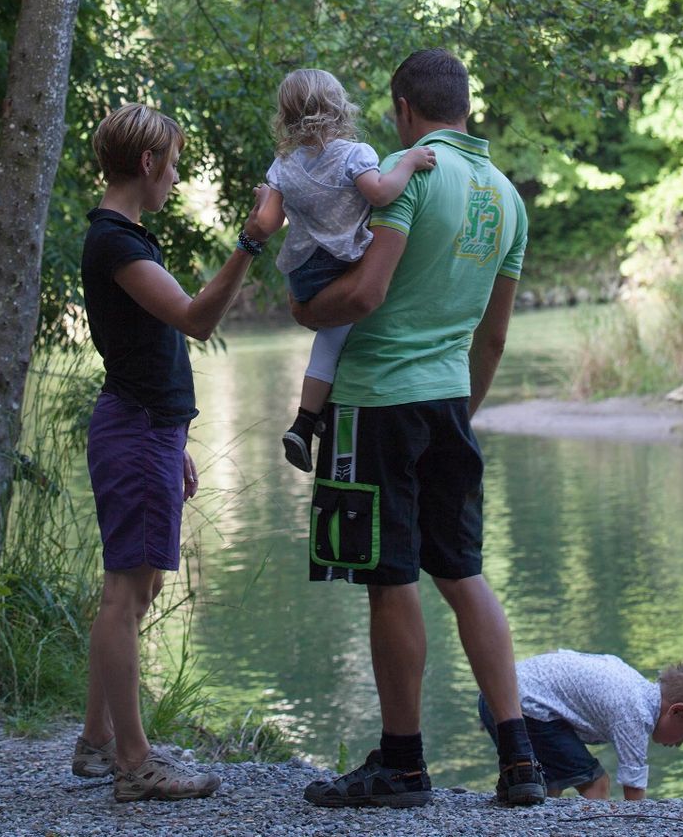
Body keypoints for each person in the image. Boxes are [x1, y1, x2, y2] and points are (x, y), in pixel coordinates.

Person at [288, 49, 547, 808]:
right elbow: (491, 340)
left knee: (388, 576)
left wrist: (305, 312)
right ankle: (521, 756)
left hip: (374, 402)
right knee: (462, 568)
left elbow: (364, 294)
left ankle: (401, 764)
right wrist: (458, 413)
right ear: (466, 106)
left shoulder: (409, 170)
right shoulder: (507, 198)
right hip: (447, 401)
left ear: (404, 106)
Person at [72, 102, 271, 803]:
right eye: (174, 163)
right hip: (134, 430)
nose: (176, 177)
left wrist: (172, 438)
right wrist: (251, 239)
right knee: (125, 594)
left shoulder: (122, 237)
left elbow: (146, 347)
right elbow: (195, 318)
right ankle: (134, 762)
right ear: (150, 163)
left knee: (140, 587)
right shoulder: (116, 243)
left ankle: (98, 741)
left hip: (148, 429)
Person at [250, 68, 436, 472]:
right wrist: (408, 162)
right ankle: (309, 419)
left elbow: (266, 224)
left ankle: (306, 420)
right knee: (344, 333)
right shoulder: (355, 154)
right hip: (341, 262)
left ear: (286, 117)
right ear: (339, 108)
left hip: (302, 274)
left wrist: (265, 196)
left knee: (331, 339)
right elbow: (382, 192)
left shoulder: (283, 164)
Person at [478, 651, 683, 800]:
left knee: (550, 780)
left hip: (502, 694)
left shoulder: (634, 685)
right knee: (596, 782)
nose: (677, 744)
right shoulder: (635, 713)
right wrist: (638, 825)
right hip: (519, 705)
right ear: (676, 711)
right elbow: (634, 782)